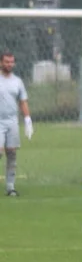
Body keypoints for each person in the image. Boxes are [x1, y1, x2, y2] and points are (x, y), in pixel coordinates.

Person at [0, 51, 33, 197]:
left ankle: (10, 186)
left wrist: (27, 120)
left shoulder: (17, 81)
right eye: (6, 61)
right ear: (1, 62)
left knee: (12, 153)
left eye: (11, 62)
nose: (9, 64)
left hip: (12, 121)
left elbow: (22, 101)